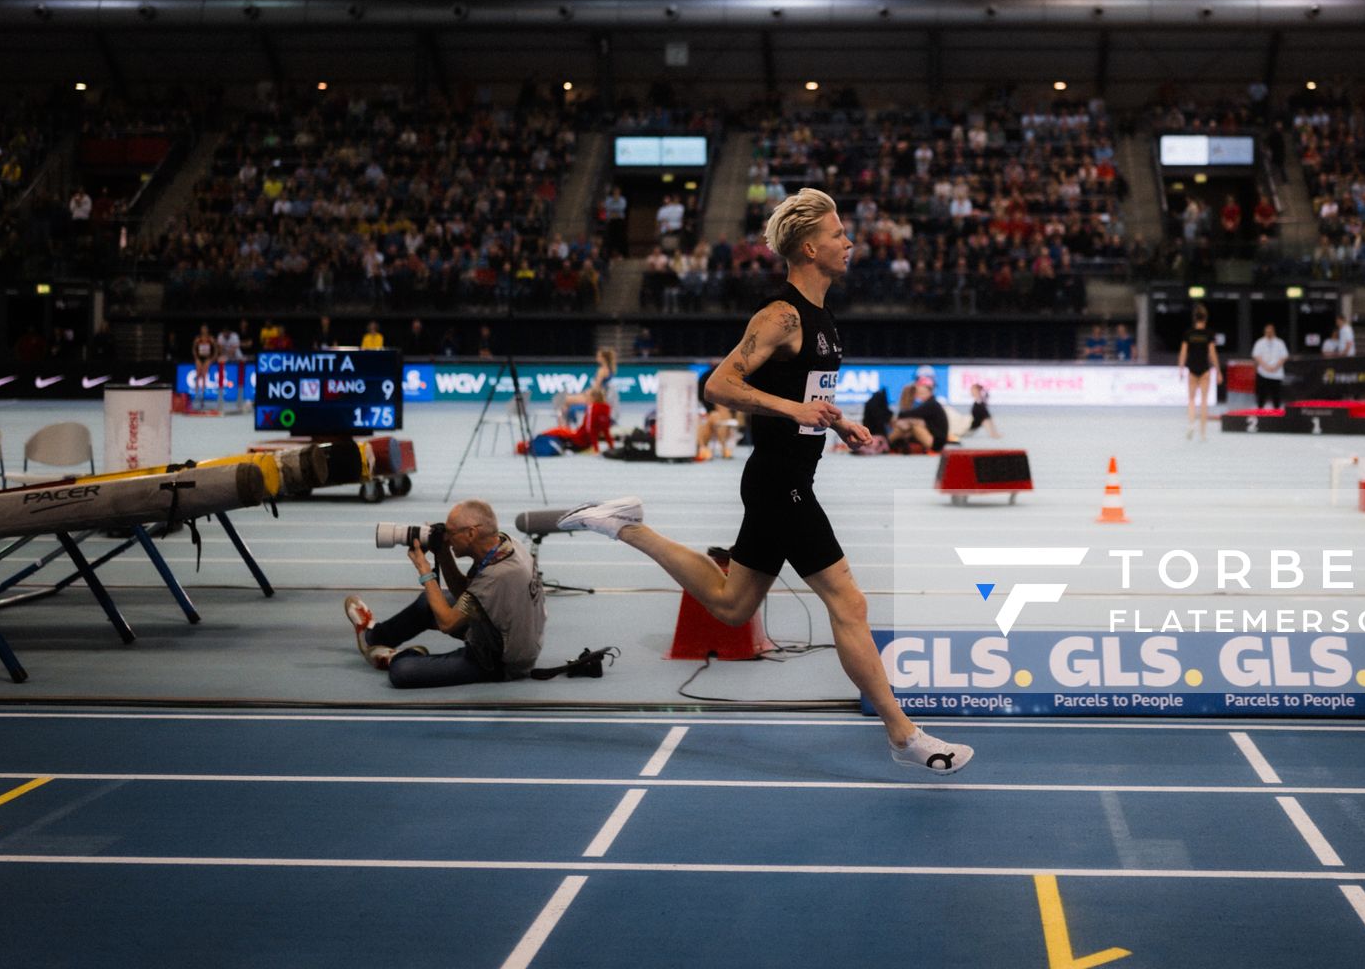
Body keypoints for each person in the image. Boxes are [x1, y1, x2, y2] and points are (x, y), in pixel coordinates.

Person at [559, 188, 974, 775]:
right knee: (848, 602)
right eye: (837, 235)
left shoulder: (824, 319)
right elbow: (719, 386)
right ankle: (903, 735)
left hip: (787, 476)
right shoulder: (780, 316)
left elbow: (807, 397)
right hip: (781, 483)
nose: (849, 242)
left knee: (732, 606)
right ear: (810, 247)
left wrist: (834, 419)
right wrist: (793, 411)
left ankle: (628, 528)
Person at [341, 498, 547, 689]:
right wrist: (443, 554)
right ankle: (374, 637)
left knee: (402, 672)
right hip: (506, 633)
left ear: (471, 533)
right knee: (428, 602)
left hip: (499, 661)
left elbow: (447, 623)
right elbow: (465, 594)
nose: (447, 538)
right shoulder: (504, 545)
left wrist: (424, 571)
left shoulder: (496, 576)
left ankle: (396, 658)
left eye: (451, 532)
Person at [1178, 303, 1218, 441]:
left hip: (1192, 370)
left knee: (1191, 399)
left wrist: (1181, 368)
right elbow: (1212, 354)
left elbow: (1183, 353)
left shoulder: (1188, 334)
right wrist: (1218, 371)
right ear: (1205, 318)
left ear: (1194, 318)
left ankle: (1191, 424)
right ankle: (1203, 433)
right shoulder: (1209, 334)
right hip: (1205, 370)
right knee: (1204, 401)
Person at [1251, 323, 1288, 409]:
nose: (1269, 333)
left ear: (1274, 332)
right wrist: (1266, 367)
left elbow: (1284, 356)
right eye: (1267, 331)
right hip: (1263, 373)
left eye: (1270, 331)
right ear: (1264, 332)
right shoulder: (1259, 342)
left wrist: (1275, 367)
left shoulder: (1280, 343)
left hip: (1276, 373)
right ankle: (1260, 412)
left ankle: (1277, 412)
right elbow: (1256, 356)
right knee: (1261, 395)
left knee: (1276, 395)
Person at [190, 324, 217, 409]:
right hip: (199, 359)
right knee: (198, 375)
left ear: (207, 330)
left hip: (207, 359)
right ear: (201, 330)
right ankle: (196, 397)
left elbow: (216, 349)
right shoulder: (198, 339)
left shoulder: (211, 339)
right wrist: (196, 359)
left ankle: (202, 398)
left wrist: (212, 359)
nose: (204, 330)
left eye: (205, 329)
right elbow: (194, 349)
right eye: (203, 329)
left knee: (204, 375)